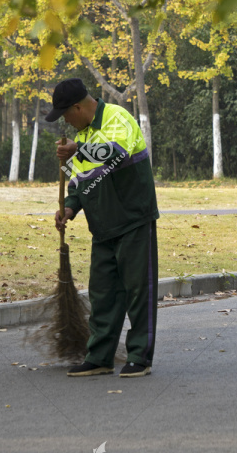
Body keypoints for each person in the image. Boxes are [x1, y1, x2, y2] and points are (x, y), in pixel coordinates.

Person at [48, 77, 159, 378]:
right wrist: (69, 208)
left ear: (77, 107)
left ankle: (140, 357)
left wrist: (77, 150)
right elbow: (78, 182)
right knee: (102, 294)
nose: (66, 122)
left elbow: (115, 153)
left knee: (138, 290)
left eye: (65, 115)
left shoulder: (117, 118)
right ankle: (99, 357)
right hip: (103, 226)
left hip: (133, 219)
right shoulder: (81, 137)